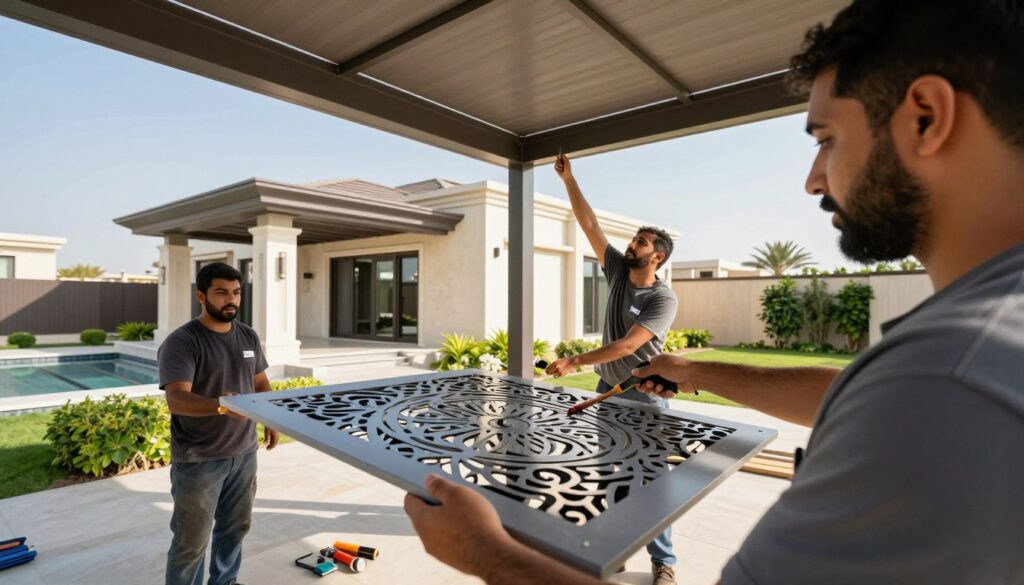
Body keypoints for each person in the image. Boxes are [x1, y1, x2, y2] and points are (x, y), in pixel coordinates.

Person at [403, 0, 1024, 583]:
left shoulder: (948, 375)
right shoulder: (975, 342)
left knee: (649, 489)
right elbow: (860, 393)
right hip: (612, 390)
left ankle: (662, 561)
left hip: (639, 400)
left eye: (825, 139)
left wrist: (488, 555)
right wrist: (701, 369)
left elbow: (915, 395)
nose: (813, 180)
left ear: (926, 116)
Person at [541, 153, 679, 584]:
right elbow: (589, 225)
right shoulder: (618, 270)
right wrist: (570, 180)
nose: (631, 245)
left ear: (656, 257)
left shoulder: (664, 299)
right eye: (634, 240)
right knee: (610, 472)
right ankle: (616, 547)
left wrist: (574, 360)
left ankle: (664, 563)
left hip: (647, 394)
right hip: (608, 389)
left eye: (640, 243)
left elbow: (627, 345)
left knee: (650, 480)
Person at [158, 262, 280, 585]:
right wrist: (224, 406)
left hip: (244, 454)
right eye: (222, 292)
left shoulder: (248, 335)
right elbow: (177, 400)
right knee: (191, 543)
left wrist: (271, 418)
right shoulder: (182, 342)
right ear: (201, 295)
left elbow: (261, 382)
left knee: (235, 529)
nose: (232, 300)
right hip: (198, 460)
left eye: (236, 292)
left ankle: (225, 582)